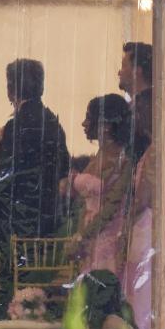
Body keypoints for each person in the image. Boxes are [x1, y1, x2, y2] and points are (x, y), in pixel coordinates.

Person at [0, 59, 70, 310]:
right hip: (48, 218)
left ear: (11, 88)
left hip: (18, 221)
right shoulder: (53, 122)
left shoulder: (17, 125)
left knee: (13, 281)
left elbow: (8, 177)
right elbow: (63, 168)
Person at [121, 90, 165, 329]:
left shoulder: (157, 151)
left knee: (145, 289)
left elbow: (145, 196)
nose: (135, 118)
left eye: (138, 112)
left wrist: (126, 222)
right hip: (164, 224)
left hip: (148, 227)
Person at [63, 94, 133, 274]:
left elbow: (112, 207)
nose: (84, 124)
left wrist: (82, 237)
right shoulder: (98, 156)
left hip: (106, 238)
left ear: (107, 125)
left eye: (89, 118)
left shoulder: (123, 162)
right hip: (88, 237)